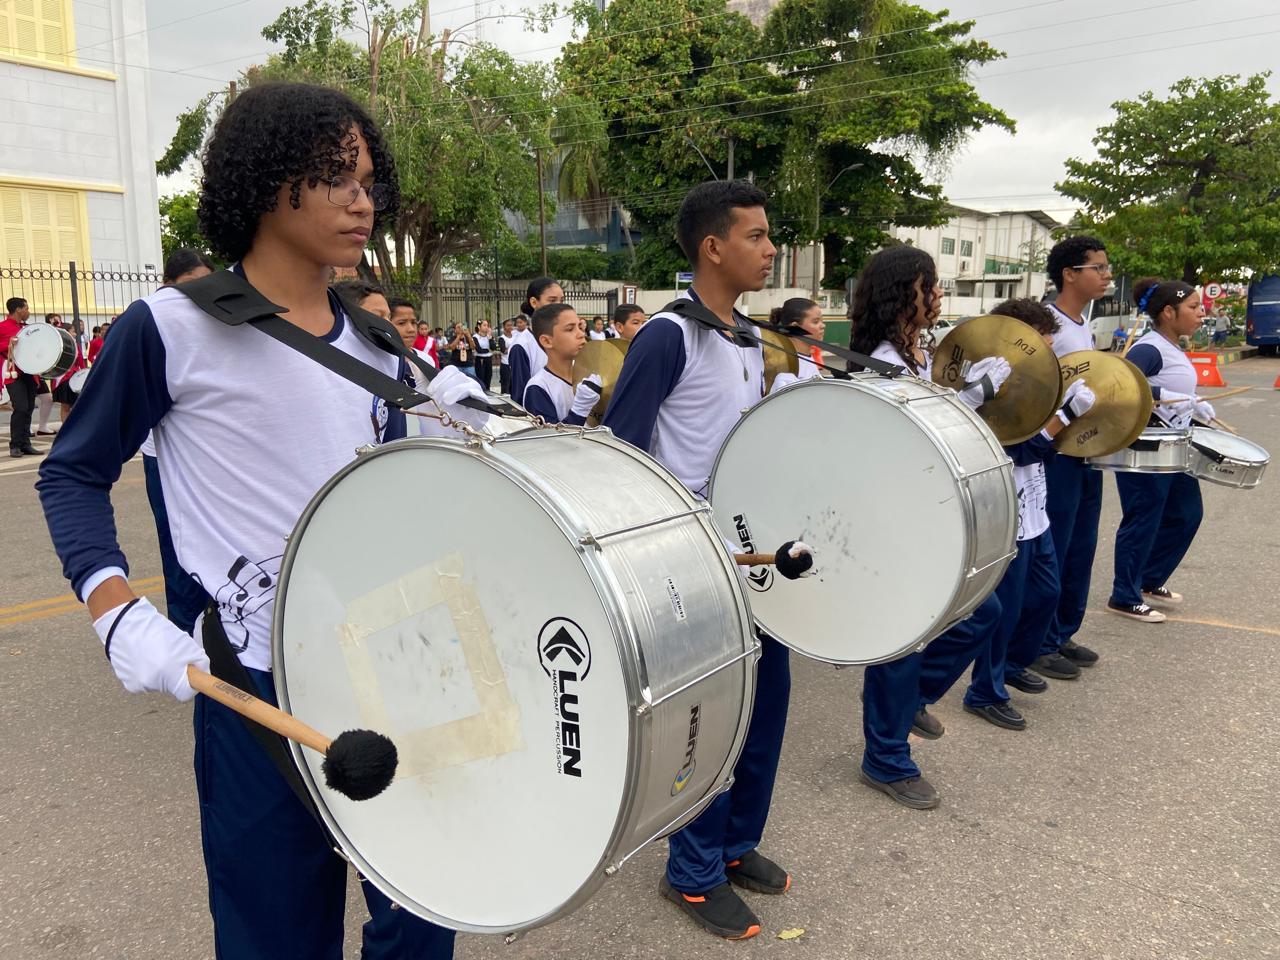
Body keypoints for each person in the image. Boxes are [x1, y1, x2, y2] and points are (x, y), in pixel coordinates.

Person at [36, 81, 479, 960]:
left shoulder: (374, 340)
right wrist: (115, 605)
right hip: (258, 685)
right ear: (269, 183)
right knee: (276, 933)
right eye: (335, 179)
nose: (364, 201)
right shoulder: (170, 329)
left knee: (429, 908)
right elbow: (73, 473)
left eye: (367, 180)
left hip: (396, 664)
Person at [603, 180, 813, 942]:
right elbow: (621, 454)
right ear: (712, 247)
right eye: (756, 237)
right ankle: (689, 872)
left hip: (752, 549)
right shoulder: (670, 335)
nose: (770, 249)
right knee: (713, 719)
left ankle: (732, 845)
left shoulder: (746, 336)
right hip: (697, 560)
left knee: (767, 706)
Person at [845, 245, 1009, 810]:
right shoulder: (878, 361)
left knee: (981, 613)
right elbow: (906, 439)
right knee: (901, 640)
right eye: (929, 285)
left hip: (921, 517)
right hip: (889, 524)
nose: (938, 296)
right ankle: (886, 758)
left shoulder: (916, 354)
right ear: (902, 294)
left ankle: (910, 701)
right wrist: (971, 397)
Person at [962, 299, 1096, 730]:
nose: (1050, 359)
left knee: (1045, 594)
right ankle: (986, 689)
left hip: (1035, 505)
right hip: (1009, 509)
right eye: (1043, 348)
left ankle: (1015, 664)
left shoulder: (1036, 381)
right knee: (1007, 607)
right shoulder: (986, 378)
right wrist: (1065, 417)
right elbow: (1019, 447)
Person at [1106, 278, 1209, 622]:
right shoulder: (1149, 348)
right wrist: (1164, 394)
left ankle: (1149, 578)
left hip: (1173, 446)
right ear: (1169, 312)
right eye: (1193, 307)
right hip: (1146, 447)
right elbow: (1119, 385)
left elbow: (1172, 396)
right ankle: (1124, 594)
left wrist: (1194, 407)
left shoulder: (1173, 347)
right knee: (1144, 518)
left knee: (1187, 514)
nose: (1201, 313)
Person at [1031, 236, 1110, 680]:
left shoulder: (1084, 324)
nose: (1106, 275)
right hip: (1056, 452)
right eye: (1097, 267)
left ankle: (1061, 631)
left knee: (1081, 547)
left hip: (1086, 451)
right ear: (1070, 274)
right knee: (1055, 548)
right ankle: (1039, 642)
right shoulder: (1050, 325)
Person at [139, 247, 218, 636]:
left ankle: (221, 631)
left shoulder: (219, 322)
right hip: (163, 460)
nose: (198, 294)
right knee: (178, 545)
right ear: (167, 285)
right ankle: (185, 632)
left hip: (210, 459)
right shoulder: (152, 321)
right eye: (189, 286)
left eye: (205, 284)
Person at [520, 303, 601, 424]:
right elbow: (551, 441)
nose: (581, 334)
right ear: (547, 341)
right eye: (570, 329)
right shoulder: (539, 388)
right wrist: (579, 410)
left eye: (579, 327)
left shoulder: (592, 375)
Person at [508, 277, 564, 403]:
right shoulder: (521, 347)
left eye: (562, 300)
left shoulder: (564, 341)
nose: (559, 306)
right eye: (552, 300)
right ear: (534, 302)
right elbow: (520, 398)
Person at [2, 296, 40, 458]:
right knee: (21, 408)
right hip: (13, 373)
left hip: (29, 373)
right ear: (18, 309)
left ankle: (25, 444)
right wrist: (9, 344)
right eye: (26, 308)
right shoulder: (2, 327)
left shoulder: (26, 328)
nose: (28, 311)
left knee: (29, 407)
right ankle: (15, 445)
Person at [770, 297, 825, 377]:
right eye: (816, 322)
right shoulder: (785, 365)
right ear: (795, 327)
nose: (823, 325)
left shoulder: (806, 358)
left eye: (822, 321)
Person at [472, 318, 495, 389]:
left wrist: (490, 337)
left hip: (488, 359)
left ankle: (488, 392)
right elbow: (479, 350)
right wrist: (487, 350)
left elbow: (493, 347)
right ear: (479, 327)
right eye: (484, 325)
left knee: (488, 378)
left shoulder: (489, 336)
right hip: (480, 359)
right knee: (481, 378)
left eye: (487, 325)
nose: (486, 327)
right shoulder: (475, 337)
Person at [498, 317, 515, 394]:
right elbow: (503, 350)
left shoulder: (515, 336)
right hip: (505, 364)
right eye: (508, 325)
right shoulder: (502, 338)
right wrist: (513, 348)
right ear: (504, 327)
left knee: (513, 384)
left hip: (514, 363)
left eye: (511, 325)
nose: (510, 327)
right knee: (505, 384)